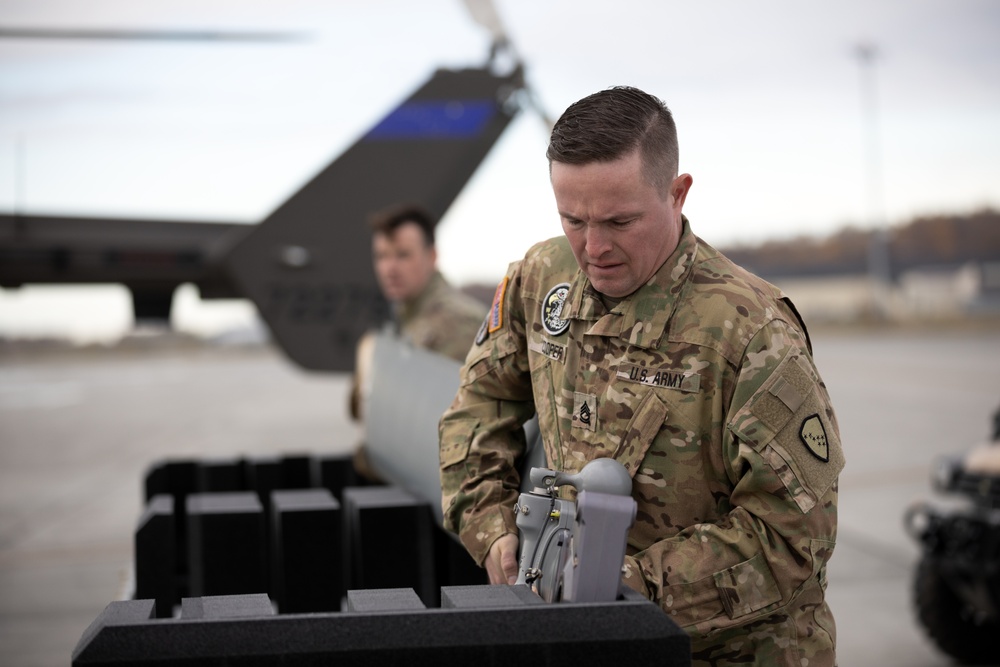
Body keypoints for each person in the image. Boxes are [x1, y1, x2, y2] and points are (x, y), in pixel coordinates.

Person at [438, 86, 844, 666]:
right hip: (584, 637)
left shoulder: (750, 332)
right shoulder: (540, 277)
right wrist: (494, 528)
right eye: (572, 219)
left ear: (677, 194)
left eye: (620, 220)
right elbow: (477, 409)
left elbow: (794, 534)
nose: (593, 247)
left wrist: (624, 588)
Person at [350, 204, 487, 477]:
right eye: (382, 256)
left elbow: (461, 431)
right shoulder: (410, 318)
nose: (390, 268)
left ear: (432, 256)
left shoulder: (455, 322)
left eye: (403, 255)